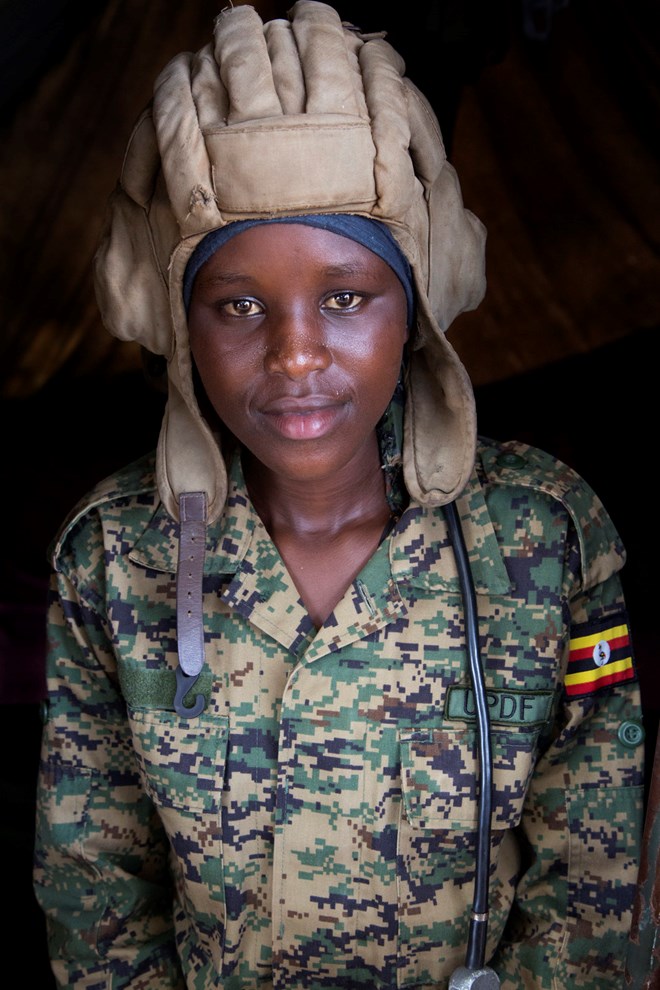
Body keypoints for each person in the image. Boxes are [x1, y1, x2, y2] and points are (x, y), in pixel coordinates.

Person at [33, 3, 645, 988]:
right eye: (237, 305)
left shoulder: (544, 538)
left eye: (348, 296)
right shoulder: (114, 559)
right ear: (178, 326)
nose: (297, 354)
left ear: (417, 309)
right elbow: (93, 895)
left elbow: (595, 889)